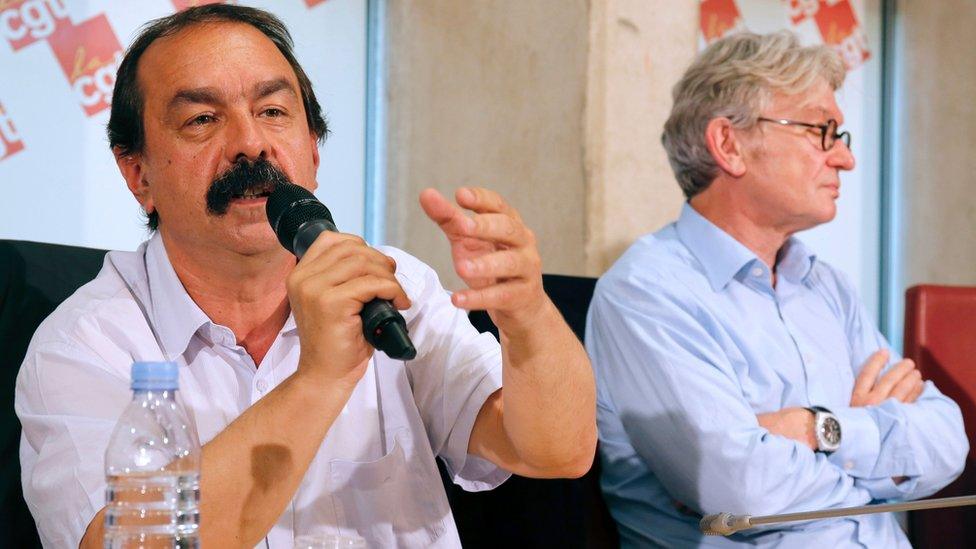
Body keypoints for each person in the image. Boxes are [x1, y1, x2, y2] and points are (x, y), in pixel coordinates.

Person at [15, 5, 596, 547]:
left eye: (272, 111)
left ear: (313, 151)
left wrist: (529, 318)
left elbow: (555, 452)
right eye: (201, 119)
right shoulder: (84, 344)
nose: (249, 144)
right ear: (137, 173)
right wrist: (320, 378)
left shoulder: (391, 286)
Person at [586, 31, 967, 547]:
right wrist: (878, 449)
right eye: (820, 130)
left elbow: (947, 439)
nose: (845, 160)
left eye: (842, 136)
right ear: (730, 144)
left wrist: (817, 429)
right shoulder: (647, 293)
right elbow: (741, 489)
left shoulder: (826, 286)